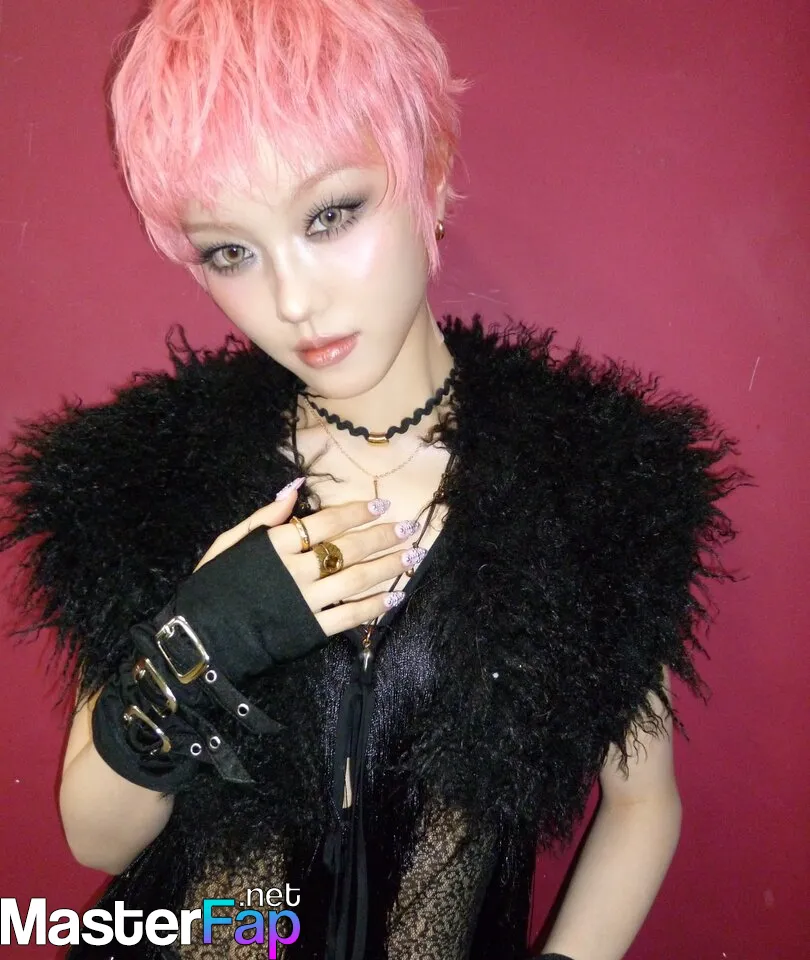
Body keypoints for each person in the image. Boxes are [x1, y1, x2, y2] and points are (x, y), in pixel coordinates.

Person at [0, 1, 749, 958]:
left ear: (428, 176)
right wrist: (209, 635)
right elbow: (95, 838)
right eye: (231, 251)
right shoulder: (147, 478)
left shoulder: (591, 484)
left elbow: (642, 803)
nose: (293, 299)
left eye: (330, 215)